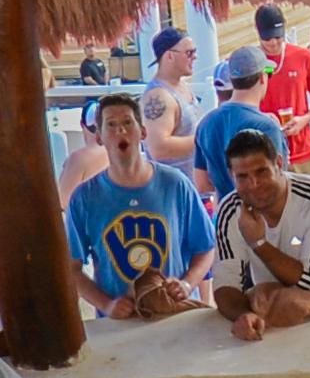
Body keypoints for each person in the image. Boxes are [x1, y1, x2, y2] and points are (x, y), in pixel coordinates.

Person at [63, 99, 211, 320]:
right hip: (120, 322)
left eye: (127, 122)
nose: (120, 130)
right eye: (110, 125)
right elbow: (71, 267)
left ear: (142, 132)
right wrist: (107, 304)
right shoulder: (85, 198)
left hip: (173, 312)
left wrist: (188, 283)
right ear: (99, 137)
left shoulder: (175, 184)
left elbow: (206, 247)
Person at [213, 127, 310, 340]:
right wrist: (244, 315)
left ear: (278, 163)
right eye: (242, 177)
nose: (254, 185)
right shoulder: (230, 209)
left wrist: (258, 242)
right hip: (279, 321)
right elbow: (225, 285)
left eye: (261, 172)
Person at [192, 49, 290, 203]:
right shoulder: (266, 127)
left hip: (226, 217)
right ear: (262, 77)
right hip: (262, 218)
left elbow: (202, 184)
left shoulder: (205, 124)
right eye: (268, 72)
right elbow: (278, 183)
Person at [254, 2, 310, 129]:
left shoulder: (303, 57)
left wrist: (304, 119)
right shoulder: (251, 61)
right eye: (267, 38)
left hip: (303, 145)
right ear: (257, 31)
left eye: (278, 36)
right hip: (266, 143)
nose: (273, 42)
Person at [139, 26, 203, 155]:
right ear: (169, 56)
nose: (195, 57)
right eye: (189, 53)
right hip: (176, 174)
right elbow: (158, 147)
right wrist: (205, 140)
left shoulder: (180, 85)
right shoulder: (159, 96)